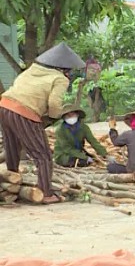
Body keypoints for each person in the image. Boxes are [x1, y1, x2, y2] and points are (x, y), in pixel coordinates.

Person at [1, 43, 86, 204]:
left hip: (5, 105)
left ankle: (11, 179)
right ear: (64, 68)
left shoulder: (32, 69)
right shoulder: (60, 78)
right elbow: (54, 104)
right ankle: (45, 193)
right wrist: (54, 116)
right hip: (24, 111)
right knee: (43, 155)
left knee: (12, 146)